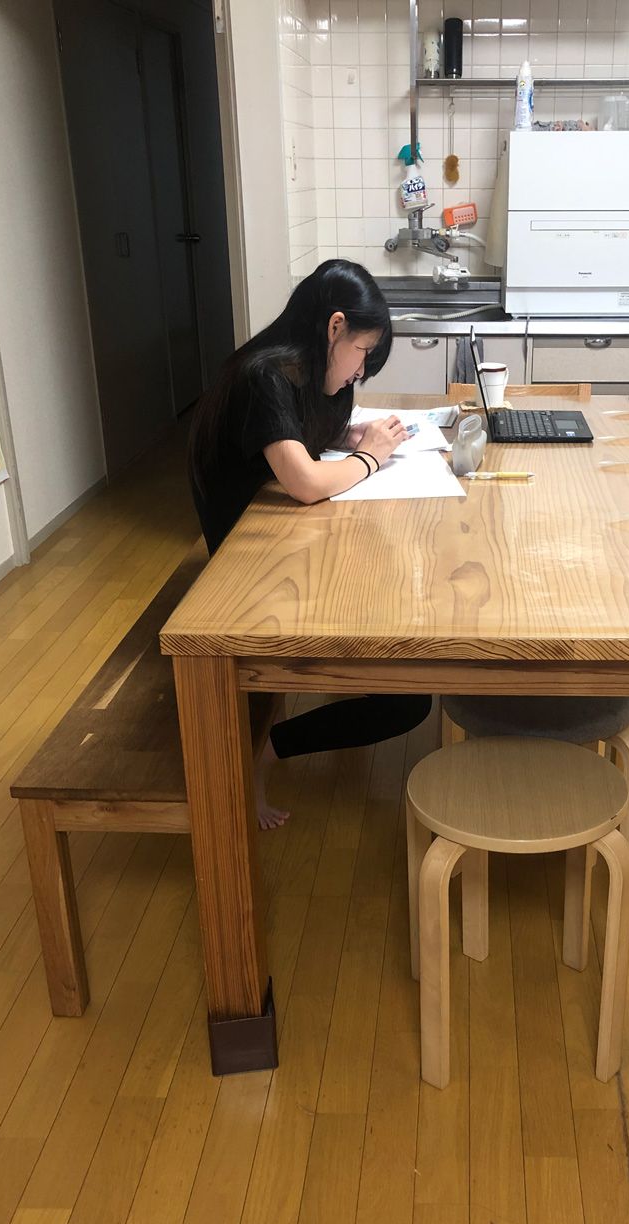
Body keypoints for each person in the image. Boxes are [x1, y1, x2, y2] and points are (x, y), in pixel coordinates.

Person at [188, 258, 431, 828]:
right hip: (249, 573)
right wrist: (369, 457)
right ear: (334, 326)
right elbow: (303, 482)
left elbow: (297, 439)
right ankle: (263, 752)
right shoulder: (263, 376)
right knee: (408, 697)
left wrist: (349, 435)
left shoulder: (309, 374)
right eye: (361, 352)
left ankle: (279, 734)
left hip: (282, 544)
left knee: (391, 587)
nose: (360, 369)